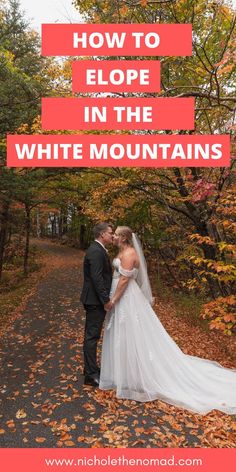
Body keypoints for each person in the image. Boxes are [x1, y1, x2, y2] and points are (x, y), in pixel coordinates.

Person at [99, 226, 236, 415]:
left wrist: (113, 299)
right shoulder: (121, 251)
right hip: (121, 295)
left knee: (131, 332)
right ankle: (125, 373)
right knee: (121, 333)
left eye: (115, 234)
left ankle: (136, 375)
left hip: (126, 297)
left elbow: (124, 280)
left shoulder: (130, 253)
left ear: (123, 238)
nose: (112, 236)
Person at [80, 222, 113, 387]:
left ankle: (90, 368)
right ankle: (91, 375)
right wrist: (105, 300)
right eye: (110, 233)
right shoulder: (95, 251)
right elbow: (97, 278)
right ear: (101, 234)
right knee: (92, 336)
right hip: (95, 300)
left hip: (93, 299)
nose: (112, 235)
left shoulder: (98, 249)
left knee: (91, 335)